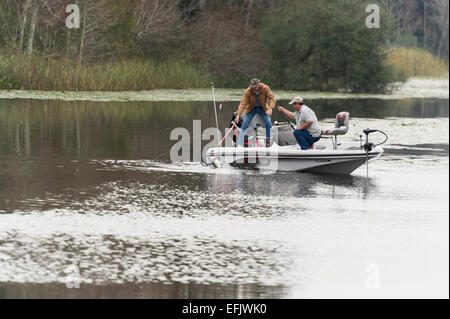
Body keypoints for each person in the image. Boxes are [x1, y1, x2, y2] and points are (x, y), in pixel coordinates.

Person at [235, 78, 276, 147]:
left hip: (263, 108)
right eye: (252, 87)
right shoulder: (248, 91)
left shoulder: (265, 88)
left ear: (258, 85)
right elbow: (243, 103)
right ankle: (240, 143)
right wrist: (238, 114)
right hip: (251, 108)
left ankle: (268, 141)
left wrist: (270, 108)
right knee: (245, 123)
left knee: (268, 123)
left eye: (255, 87)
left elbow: (272, 98)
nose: (253, 89)